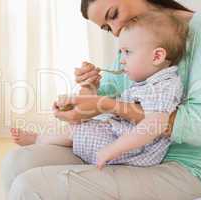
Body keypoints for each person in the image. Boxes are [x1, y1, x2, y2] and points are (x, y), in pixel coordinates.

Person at [2, 1, 201, 199]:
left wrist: (111, 106)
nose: (117, 29)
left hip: (185, 166)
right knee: (17, 162)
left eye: (113, 14)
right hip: (125, 149)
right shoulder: (132, 39)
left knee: (29, 187)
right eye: (107, 27)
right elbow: (100, 103)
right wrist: (87, 90)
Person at [11, 11, 187, 171]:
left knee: (77, 130)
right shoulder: (152, 81)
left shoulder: (164, 86)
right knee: (80, 125)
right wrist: (90, 86)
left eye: (127, 52)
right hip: (126, 141)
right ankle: (44, 138)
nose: (122, 61)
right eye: (121, 52)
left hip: (135, 151)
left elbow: (154, 125)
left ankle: (39, 139)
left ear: (157, 56)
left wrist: (113, 149)